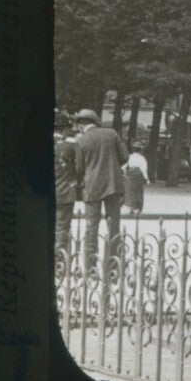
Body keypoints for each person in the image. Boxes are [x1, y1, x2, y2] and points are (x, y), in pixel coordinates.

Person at [74, 108, 128, 274]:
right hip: (113, 186)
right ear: (95, 121)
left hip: (92, 188)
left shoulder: (81, 140)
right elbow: (125, 156)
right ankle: (114, 267)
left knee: (91, 227)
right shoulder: (111, 133)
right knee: (114, 226)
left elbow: (79, 168)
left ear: (82, 124)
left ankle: (91, 268)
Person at [53, 125, 81, 265]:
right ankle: (59, 261)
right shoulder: (70, 148)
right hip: (65, 192)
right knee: (62, 227)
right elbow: (80, 167)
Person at [122, 147, 149, 213]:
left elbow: (124, 166)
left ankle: (130, 206)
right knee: (138, 192)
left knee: (129, 191)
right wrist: (146, 178)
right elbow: (143, 169)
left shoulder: (129, 157)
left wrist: (124, 174)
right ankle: (137, 207)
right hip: (138, 175)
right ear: (140, 150)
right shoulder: (142, 158)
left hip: (130, 175)